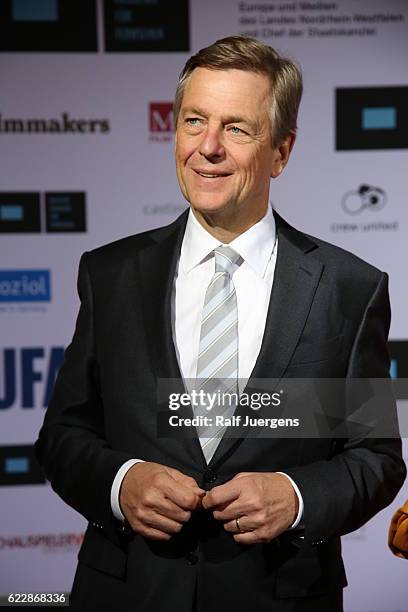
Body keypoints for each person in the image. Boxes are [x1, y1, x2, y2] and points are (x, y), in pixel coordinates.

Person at [35, 36, 406, 611]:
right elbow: (63, 437)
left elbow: (376, 458)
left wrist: (296, 494)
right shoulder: (109, 274)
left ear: (281, 152)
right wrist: (121, 481)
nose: (206, 147)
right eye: (193, 121)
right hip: (127, 592)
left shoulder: (348, 289)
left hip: (280, 595)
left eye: (237, 129)